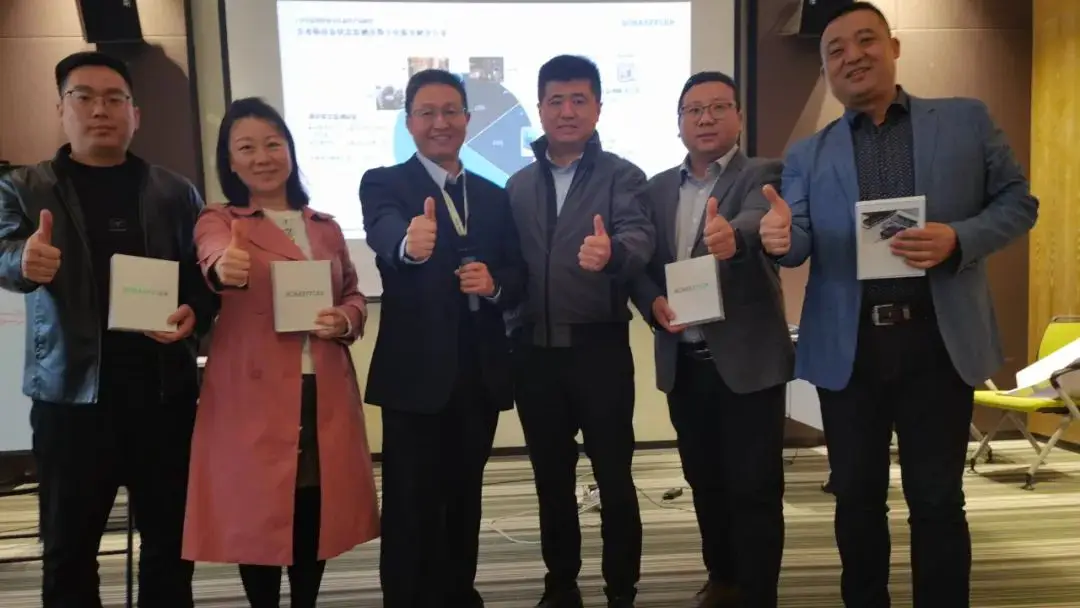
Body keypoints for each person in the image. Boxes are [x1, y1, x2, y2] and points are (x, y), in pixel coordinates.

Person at [761, 3, 1038, 607]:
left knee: (936, 499)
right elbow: (798, 238)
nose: (852, 57)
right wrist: (778, 238)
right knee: (856, 498)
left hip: (936, 340)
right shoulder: (808, 154)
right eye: (835, 51)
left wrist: (959, 238)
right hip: (850, 348)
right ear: (826, 69)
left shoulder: (964, 121)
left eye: (865, 40)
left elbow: (1019, 203)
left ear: (894, 46)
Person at [0, 51, 218, 607]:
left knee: (170, 548)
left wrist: (195, 313)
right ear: (61, 109)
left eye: (114, 99)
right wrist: (22, 260)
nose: (101, 110)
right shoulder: (23, 187)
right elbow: (2, 253)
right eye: (84, 97)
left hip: (164, 397)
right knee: (68, 551)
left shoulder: (175, 192)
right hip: (70, 398)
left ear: (135, 115)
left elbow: (201, 278)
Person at [183, 98, 380, 608]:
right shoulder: (220, 219)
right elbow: (213, 255)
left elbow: (353, 292)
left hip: (322, 385)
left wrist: (347, 318)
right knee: (258, 507)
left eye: (273, 144)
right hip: (252, 391)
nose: (263, 157)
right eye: (246, 148)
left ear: (290, 151)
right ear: (230, 161)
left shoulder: (325, 226)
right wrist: (224, 266)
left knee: (315, 500)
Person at [359, 69, 526, 608]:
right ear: (409, 122)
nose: (440, 123)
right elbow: (383, 232)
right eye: (427, 112)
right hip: (414, 376)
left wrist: (495, 284)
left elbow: (518, 273)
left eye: (451, 111)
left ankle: (458, 593)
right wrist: (409, 244)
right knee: (410, 502)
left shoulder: (494, 195)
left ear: (468, 120)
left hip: (479, 375)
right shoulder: (384, 183)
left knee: (463, 496)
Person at [631, 72, 792, 608]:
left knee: (756, 488)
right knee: (705, 481)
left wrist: (733, 237)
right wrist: (652, 302)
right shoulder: (656, 189)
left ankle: (759, 594)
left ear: (739, 117)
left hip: (748, 364)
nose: (705, 118)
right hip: (684, 361)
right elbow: (644, 266)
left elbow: (755, 220)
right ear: (678, 122)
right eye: (693, 109)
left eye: (719, 107)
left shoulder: (763, 174)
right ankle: (722, 579)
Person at [506, 55, 655, 608]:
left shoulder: (622, 175)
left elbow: (639, 236)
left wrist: (613, 252)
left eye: (578, 100)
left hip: (599, 349)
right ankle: (561, 582)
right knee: (550, 477)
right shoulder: (518, 184)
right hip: (534, 352)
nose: (566, 111)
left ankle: (621, 589)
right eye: (556, 100)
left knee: (614, 477)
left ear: (597, 107)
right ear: (540, 108)